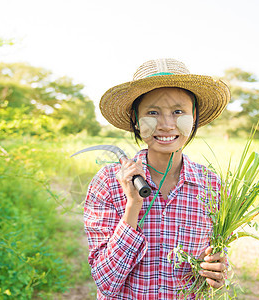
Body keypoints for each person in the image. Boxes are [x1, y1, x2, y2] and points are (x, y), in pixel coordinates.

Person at [84, 58, 230, 299]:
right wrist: (133, 206)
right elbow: (106, 282)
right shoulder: (108, 182)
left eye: (178, 112)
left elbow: (219, 259)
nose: (165, 124)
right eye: (152, 112)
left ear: (193, 117)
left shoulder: (212, 186)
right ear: (136, 120)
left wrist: (218, 270)